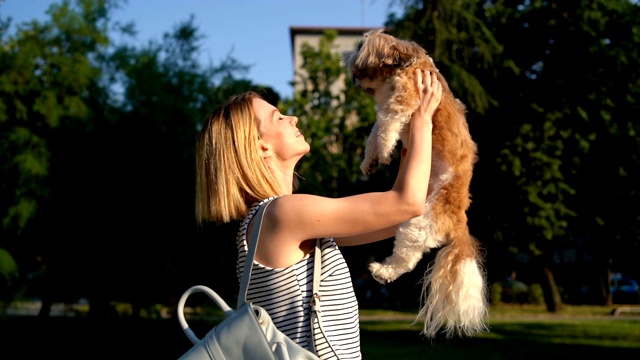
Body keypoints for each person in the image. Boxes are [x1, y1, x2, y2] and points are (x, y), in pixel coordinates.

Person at [195, 69, 442, 359]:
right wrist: (422, 120)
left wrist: (410, 139)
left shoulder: (275, 222)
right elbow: (407, 204)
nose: (293, 119)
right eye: (278, 117)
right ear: (259, 146)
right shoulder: (284, 214)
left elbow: (401, 216)